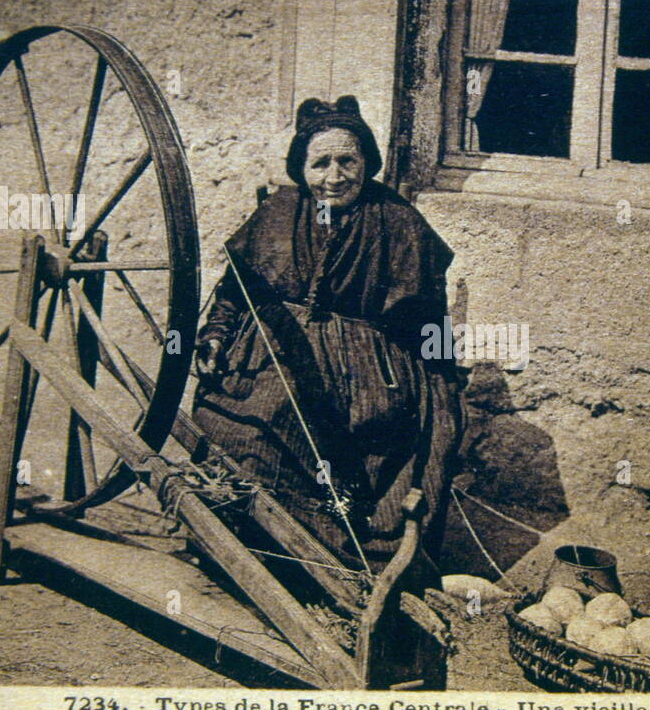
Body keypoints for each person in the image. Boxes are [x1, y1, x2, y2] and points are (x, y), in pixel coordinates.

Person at [192, 95, 463, 578]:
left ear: (367, 164)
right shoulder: (278, 212)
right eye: (320, 163)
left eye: (347, 161)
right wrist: (214, 335)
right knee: (259, 419)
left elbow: (428, 320)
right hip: (277, 351)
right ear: (302, 167)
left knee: (381, 445)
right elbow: (236, 290)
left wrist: (440, 389)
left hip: (367, 369)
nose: (334, 176)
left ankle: (342, 570)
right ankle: (257, 558)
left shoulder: (399, 222)